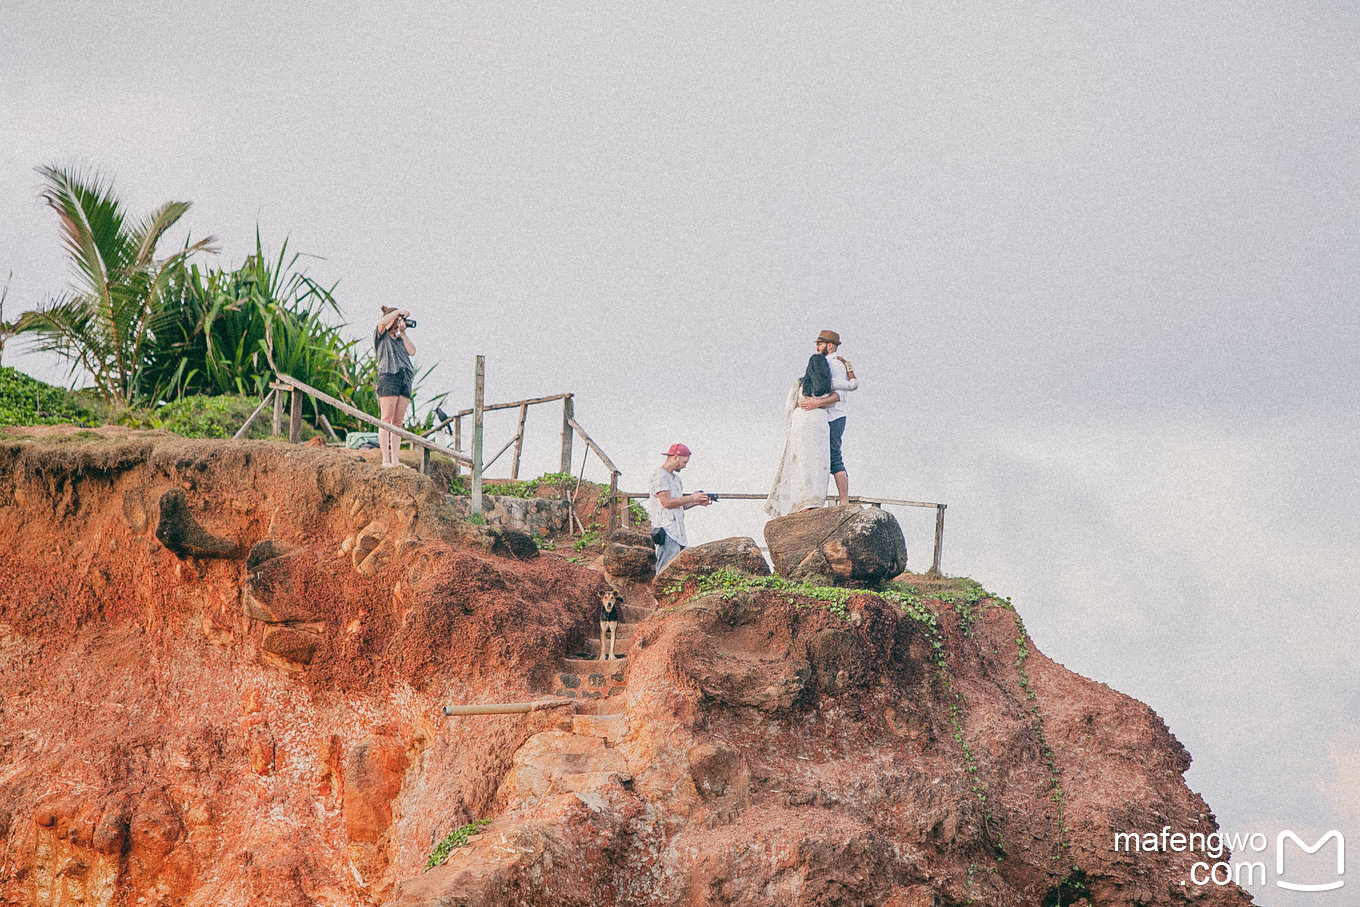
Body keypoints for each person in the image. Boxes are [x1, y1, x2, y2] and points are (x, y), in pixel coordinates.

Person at [764, 351, 837, 517]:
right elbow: (843, 393)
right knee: (818, 462)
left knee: (801, 463)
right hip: (819, 423)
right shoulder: (828, 387)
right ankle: (816, 501)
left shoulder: (800, 384)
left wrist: (792, 419)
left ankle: (802, 502)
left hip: (801, 422)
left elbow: (789, 406)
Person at [649, 443, 712, 571]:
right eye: (684, 462)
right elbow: (666, 503)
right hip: (666, 530)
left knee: (676, 572)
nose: (684, 466)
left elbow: (678, 505)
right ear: (676, 457)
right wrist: (692, 497)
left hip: (678, 533)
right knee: (664, 571)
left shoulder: (676, 479)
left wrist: (697, 502)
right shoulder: (660, 475)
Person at [813, 329, 858, 505]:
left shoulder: (833, 364)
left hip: (834, 416)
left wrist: (816, 403)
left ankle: (844, 500)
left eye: (820, 344)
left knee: (834, 457)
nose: (817, 347)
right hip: (831, 416)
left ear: (829, 345)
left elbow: (839, 394)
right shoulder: (830, 363)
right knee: (827, 456)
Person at [374, 306, 416, 468]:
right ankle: (385, 459)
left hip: (405, 378)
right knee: (386, 419)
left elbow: (412, 351)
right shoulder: (382, 337)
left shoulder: (400, 340)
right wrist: (399, 313)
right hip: (389, 376)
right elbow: (382, 323)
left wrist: (403, 332)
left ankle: (396, 460)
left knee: (397, 422)